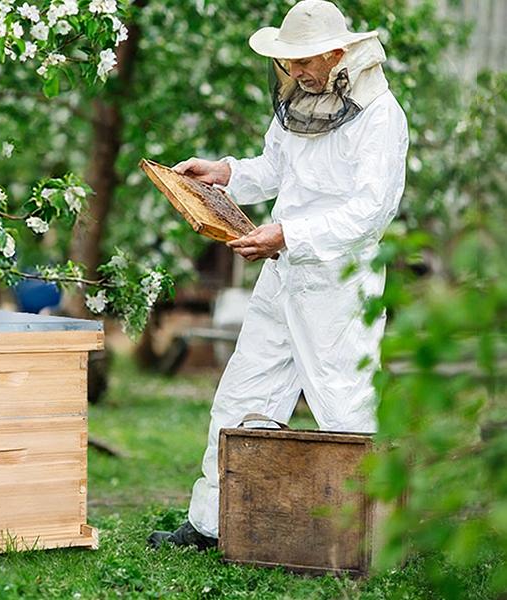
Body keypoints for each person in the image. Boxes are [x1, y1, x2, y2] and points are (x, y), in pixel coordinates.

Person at [148, 0, 409, 550]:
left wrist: (287, 234)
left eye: (303, 61)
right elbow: (273, 169)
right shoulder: (298, 101)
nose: (294, 73)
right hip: (282, 275)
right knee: (243, 394)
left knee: (344, 407)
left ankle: (357, 537)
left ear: (338, 54)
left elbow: (370, 212)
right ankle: (212, 523)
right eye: (288, 63)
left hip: (340, 288)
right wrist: (224, 173)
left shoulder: (382, 117)